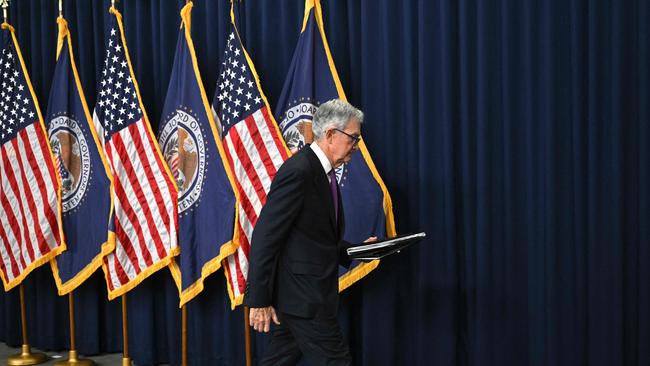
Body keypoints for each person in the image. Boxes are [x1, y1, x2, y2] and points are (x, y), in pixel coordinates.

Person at [243, 99, 375, 365]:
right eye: (353, 139)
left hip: (302, 297)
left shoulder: (323, 173)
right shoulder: (300, 171)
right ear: (329, 135)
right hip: (304, 299)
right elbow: (266, 236)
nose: (356, 147)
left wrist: (358, 251)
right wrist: (258, 299)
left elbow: (312, 239)